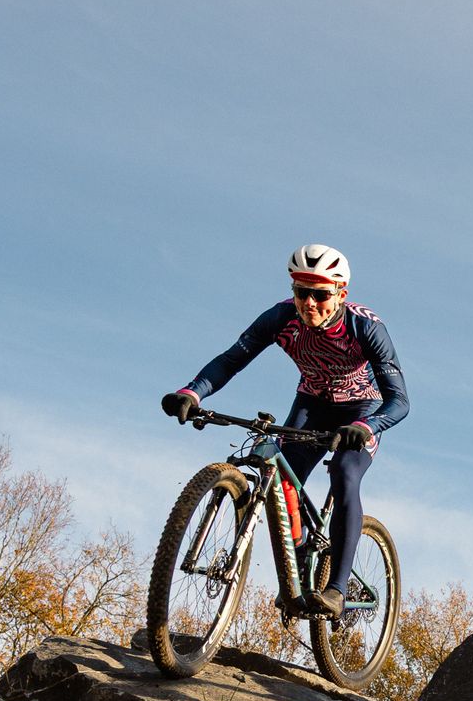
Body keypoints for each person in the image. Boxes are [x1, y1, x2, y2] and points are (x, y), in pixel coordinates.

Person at [161, 244, 408, 616]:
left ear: (341, 293)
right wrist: (191, 392)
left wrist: (365, 426)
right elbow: (232, 359)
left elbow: (400, 400)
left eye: (321, 294)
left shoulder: (365, 326)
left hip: (363, 408)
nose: (309, 303)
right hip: (312, 403)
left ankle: (337, 589)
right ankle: (299, 555)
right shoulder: (280, 318)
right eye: (301, 292)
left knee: (344, 472)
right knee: (281, 474)